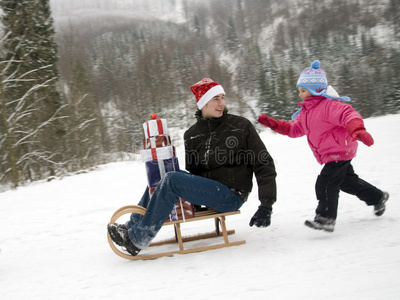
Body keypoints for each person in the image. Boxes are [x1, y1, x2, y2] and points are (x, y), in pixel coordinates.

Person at [108, 78, 277, 256]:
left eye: (222, 97)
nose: (222, 103)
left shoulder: (241, 126)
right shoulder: (192, 135)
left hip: (232, 195)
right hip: (211, 193)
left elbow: (264, 162)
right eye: (216, 99)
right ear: (203, 103)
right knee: (165, 175)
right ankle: (131, 227)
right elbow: (195, 173)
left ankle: (137, 239)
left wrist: (266, 205)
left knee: (171, 180)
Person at [258, 60, 389, 233]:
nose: (300, 95)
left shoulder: (329, 106)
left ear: (315, 90)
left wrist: (358, 130)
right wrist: (274, 124)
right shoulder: (306, 112)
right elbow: (294, 129)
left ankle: (326, 217)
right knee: (347, 182)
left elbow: (348, 114)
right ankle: (377, 197)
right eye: (299, 91)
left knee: (325, 183)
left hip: (339, 150)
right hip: (333, 153)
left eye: (303, 91)